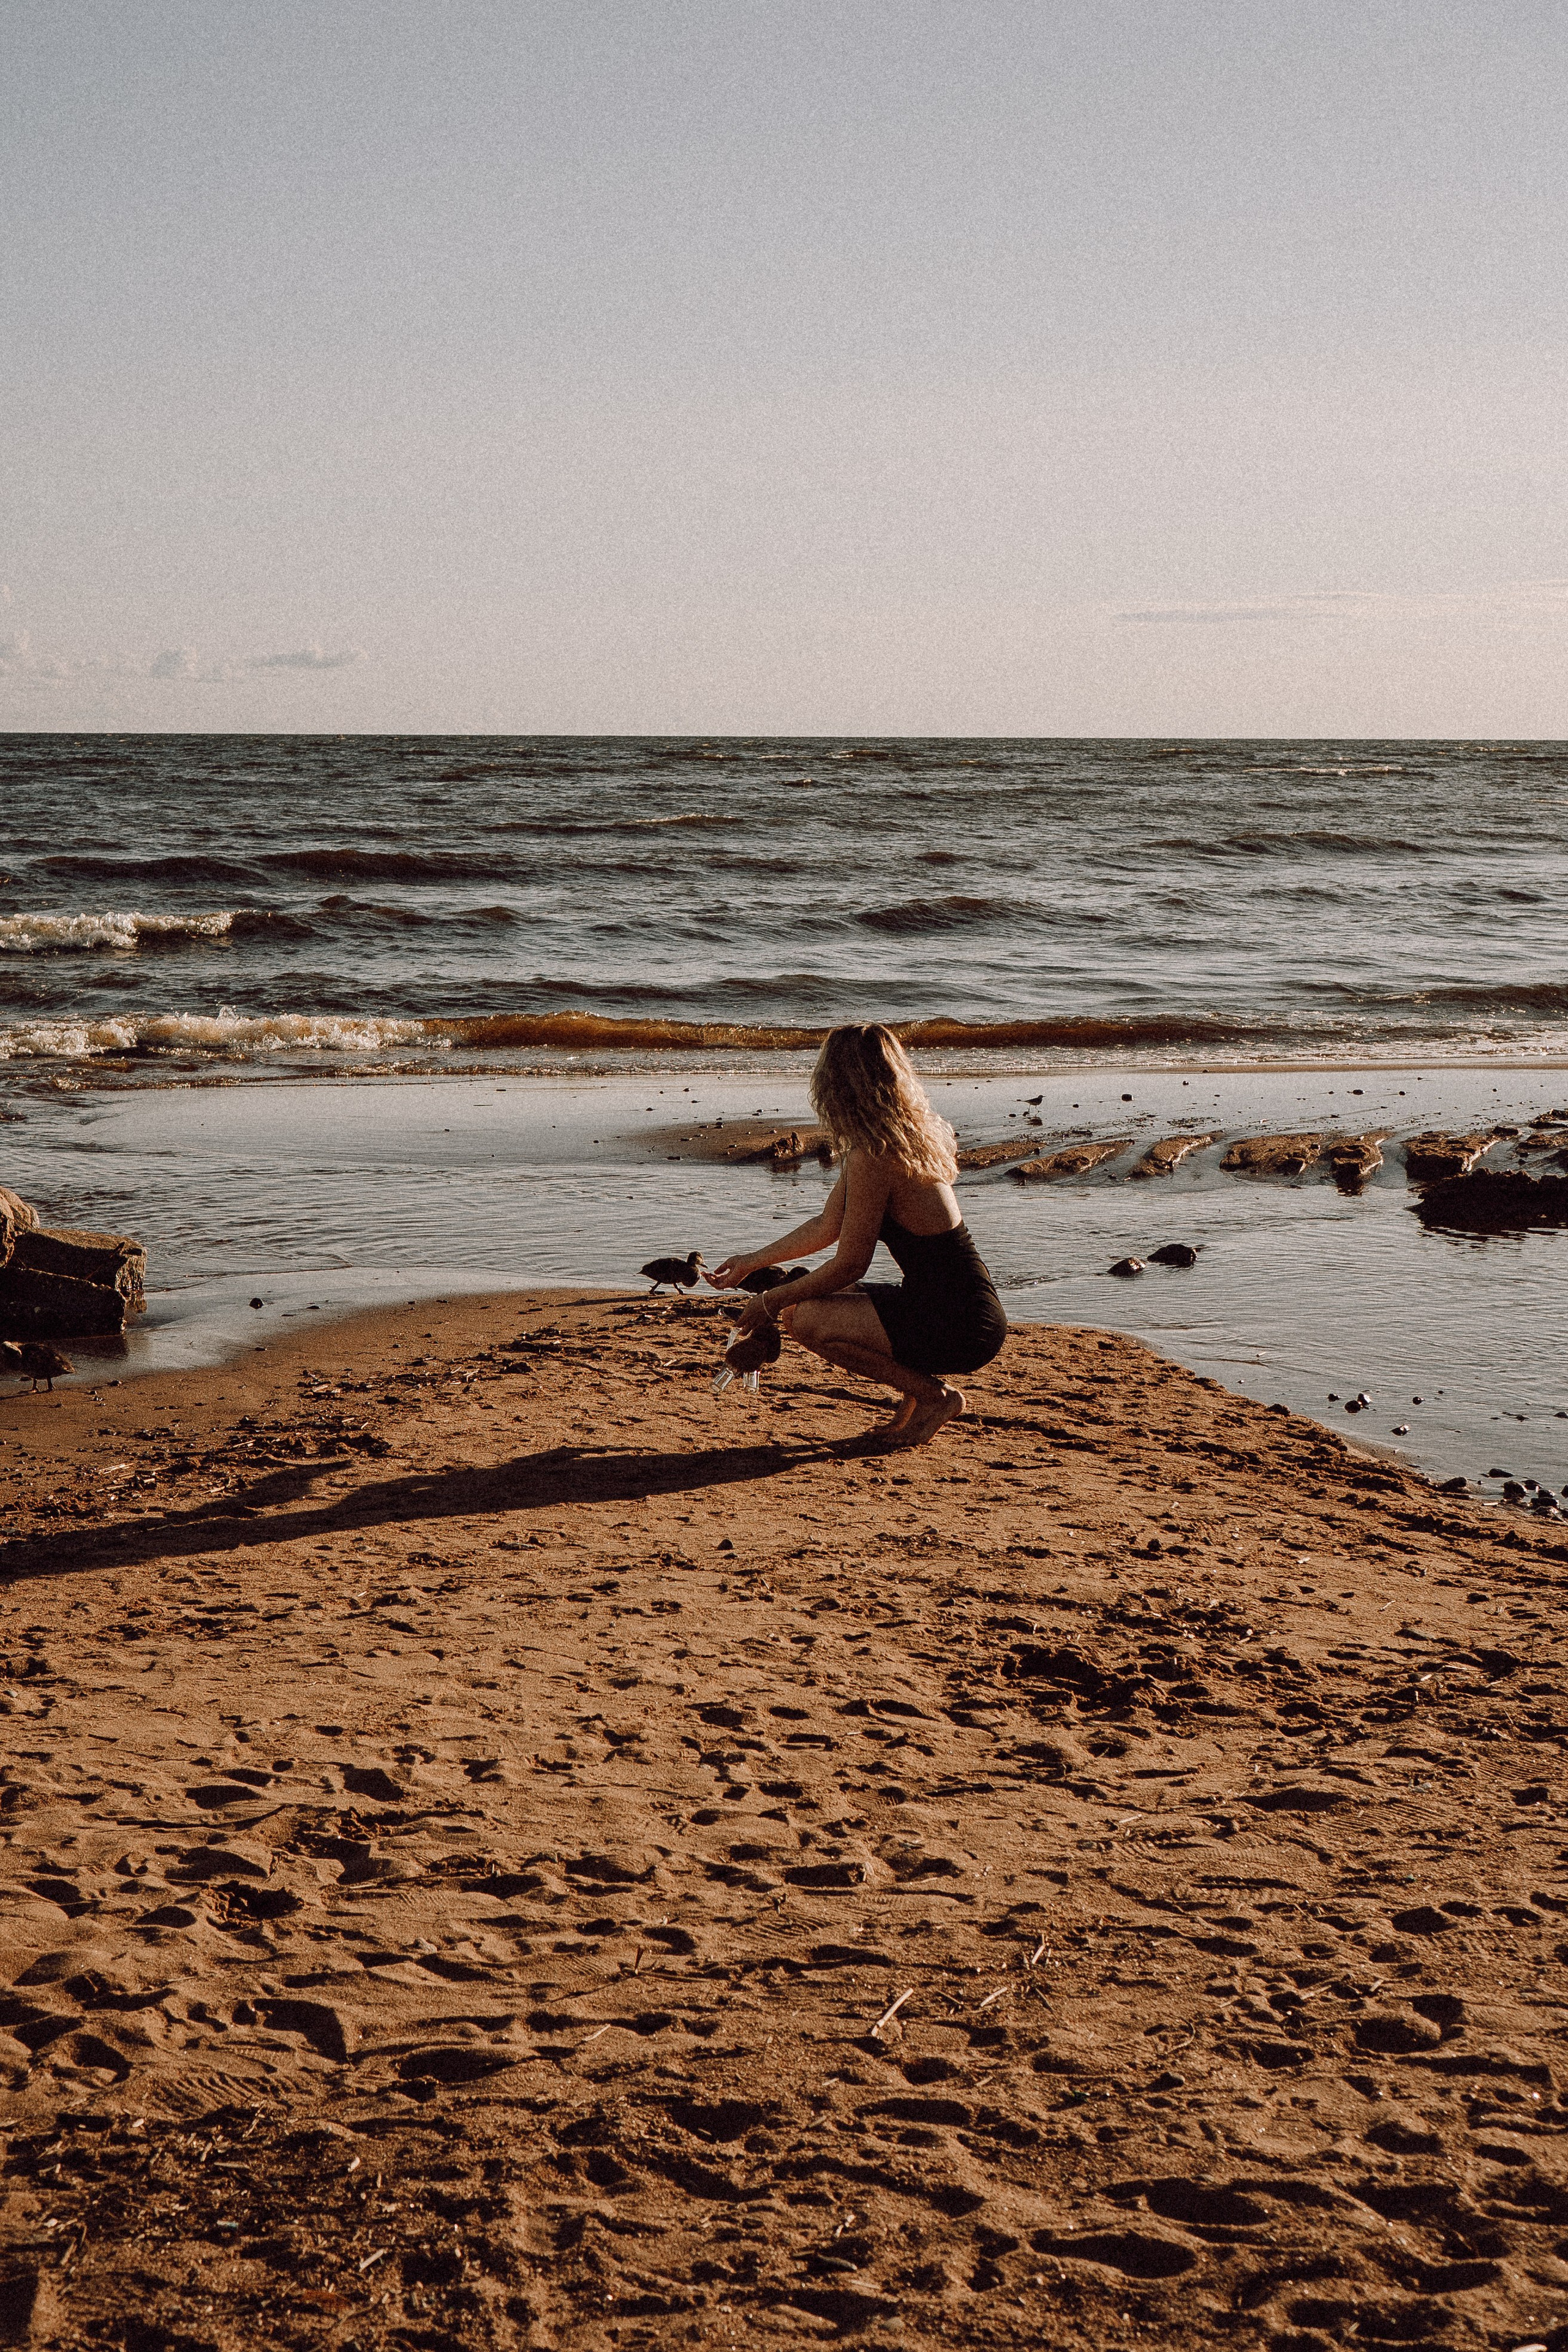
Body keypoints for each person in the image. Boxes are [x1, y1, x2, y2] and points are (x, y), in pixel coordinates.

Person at [709, 1023, 1008, 1448]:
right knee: (802, 1307)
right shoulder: (889, 1143)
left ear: (838, 1083)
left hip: (962, 1323)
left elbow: (852, 1263)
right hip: (952, 1306)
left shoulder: (876, 1156)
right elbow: (827, 1225)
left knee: (808, 1317)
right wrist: (753, 1262)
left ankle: (935, 1397)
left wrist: (770, 1300)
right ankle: (915, 1402)